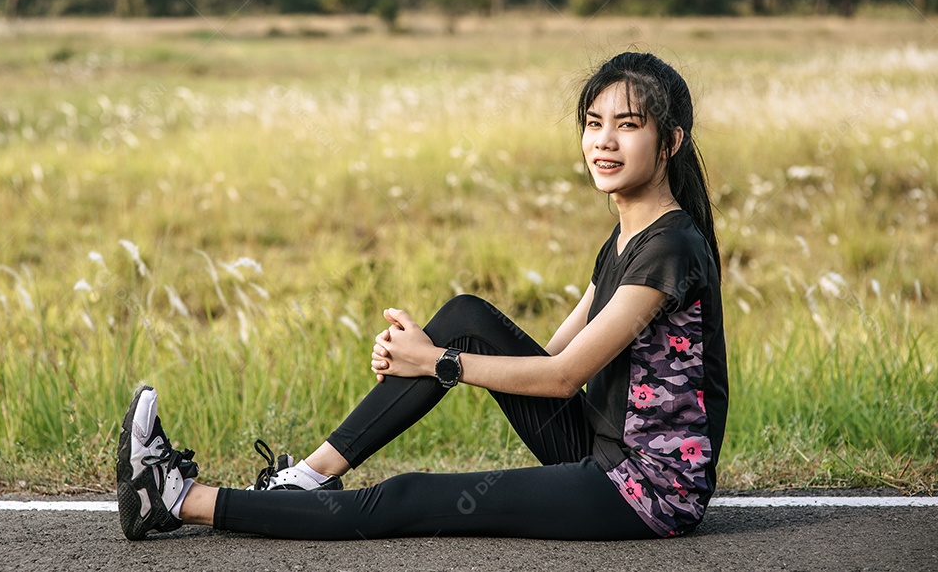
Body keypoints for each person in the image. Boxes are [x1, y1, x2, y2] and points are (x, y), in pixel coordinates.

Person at [116, 51, 728, 541]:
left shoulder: (669, 247)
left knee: (409, 497)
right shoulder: (627, 235)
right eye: (594, 124)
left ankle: (177, 500)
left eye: (628, 126)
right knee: (465, 315)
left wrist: (435, 364)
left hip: (646, 489)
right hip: (600, 445)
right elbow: (548, 357)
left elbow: (564, 377)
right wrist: (427, 355)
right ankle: (304, 478)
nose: (604, 142)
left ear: (670, 142)